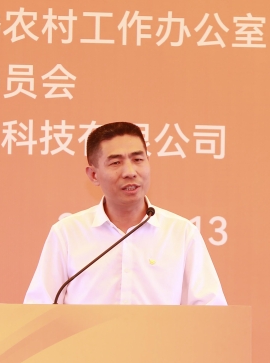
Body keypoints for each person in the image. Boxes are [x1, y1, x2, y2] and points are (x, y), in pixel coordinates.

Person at [24, 121, 226, 305]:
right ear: (94, 175)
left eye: (138, 159)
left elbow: (211, 311)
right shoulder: (67, 233)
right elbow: (38, 310)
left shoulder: (181, 233)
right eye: (115, 163)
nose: (130, 172)